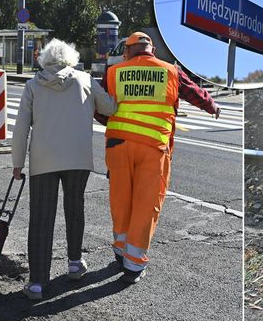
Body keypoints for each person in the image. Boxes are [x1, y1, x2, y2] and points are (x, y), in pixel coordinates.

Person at [102, 31, 221, 283]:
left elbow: (101, 107)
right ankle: (133, 264)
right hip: (153, 148)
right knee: (146, 204)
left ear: (127, 52)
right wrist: (213, 106)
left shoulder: (114, 72)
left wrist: (112, 123)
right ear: (152, 51)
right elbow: (194, 93)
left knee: (120, 200)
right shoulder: (170, 71)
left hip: (118, 146)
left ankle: (120, 250)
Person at [12, 39, 117, 300]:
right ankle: (74, 263)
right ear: (71, 58)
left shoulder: (33, 85)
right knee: (74, 207)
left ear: (44, 61)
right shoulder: (84, 79)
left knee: (41, 218)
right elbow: (109, 108)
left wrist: (17, 163)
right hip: (78, 158)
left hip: (43, 159)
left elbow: (21, 128)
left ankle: (37, 282)